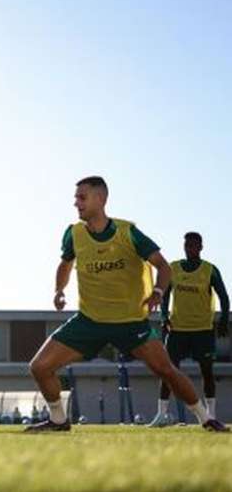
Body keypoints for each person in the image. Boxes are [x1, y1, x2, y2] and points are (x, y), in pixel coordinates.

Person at [27, 176, 227, 432]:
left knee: (166, 370)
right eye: (76, 197)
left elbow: (164, 267)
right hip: (90, 321)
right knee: (39, 367)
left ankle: (205, 418)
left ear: (100, 199)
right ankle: (58, 419)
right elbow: (65, 264)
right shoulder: (74, 233)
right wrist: (59, 290)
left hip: (130, 322)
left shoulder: (128, 233)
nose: (76, 202)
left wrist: (157, 290)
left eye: (82, 197)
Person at [149, 232, 229, 427]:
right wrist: (164, 316)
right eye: (187, 245)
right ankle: (162, 415)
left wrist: (225, 319)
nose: (190, 249)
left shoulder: (210, 270)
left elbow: (224, 297)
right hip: (177, 329)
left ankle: (210, 415)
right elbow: (166, 295)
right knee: (167, 370)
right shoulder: (174, 268)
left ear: (201, 247)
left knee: (207, 371)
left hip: (202, 329)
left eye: (193, 246)